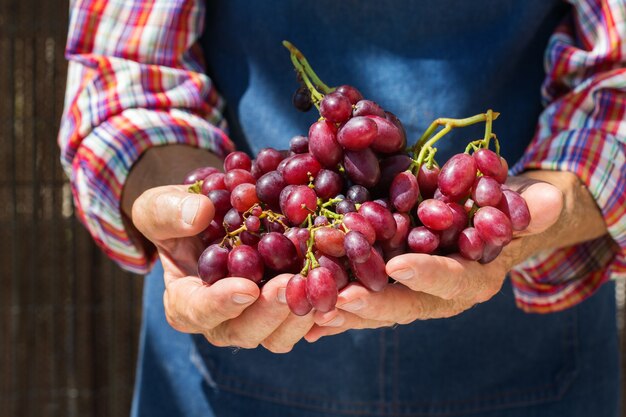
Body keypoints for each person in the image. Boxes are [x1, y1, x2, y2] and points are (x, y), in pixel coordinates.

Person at [59, 1, 626, 416]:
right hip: (228, 364)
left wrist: (559, 197)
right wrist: (187, 211)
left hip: (529, 361)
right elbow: (125, 71)